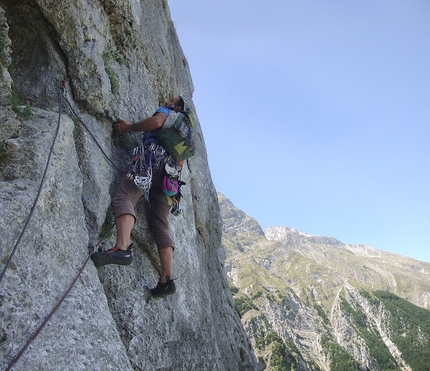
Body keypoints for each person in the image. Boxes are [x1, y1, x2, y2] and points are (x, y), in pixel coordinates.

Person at [91, 96, 187, 298]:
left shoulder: (168, 112)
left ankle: (122, 247)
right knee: (160, 223)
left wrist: (127, 129)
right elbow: (181, 163)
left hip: (152, 157)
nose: (168, 100)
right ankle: (166, 280)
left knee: (125, 195)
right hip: (171, 177)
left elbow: (156, 122)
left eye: (173, 99)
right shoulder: (186, 133)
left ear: (178, 106)